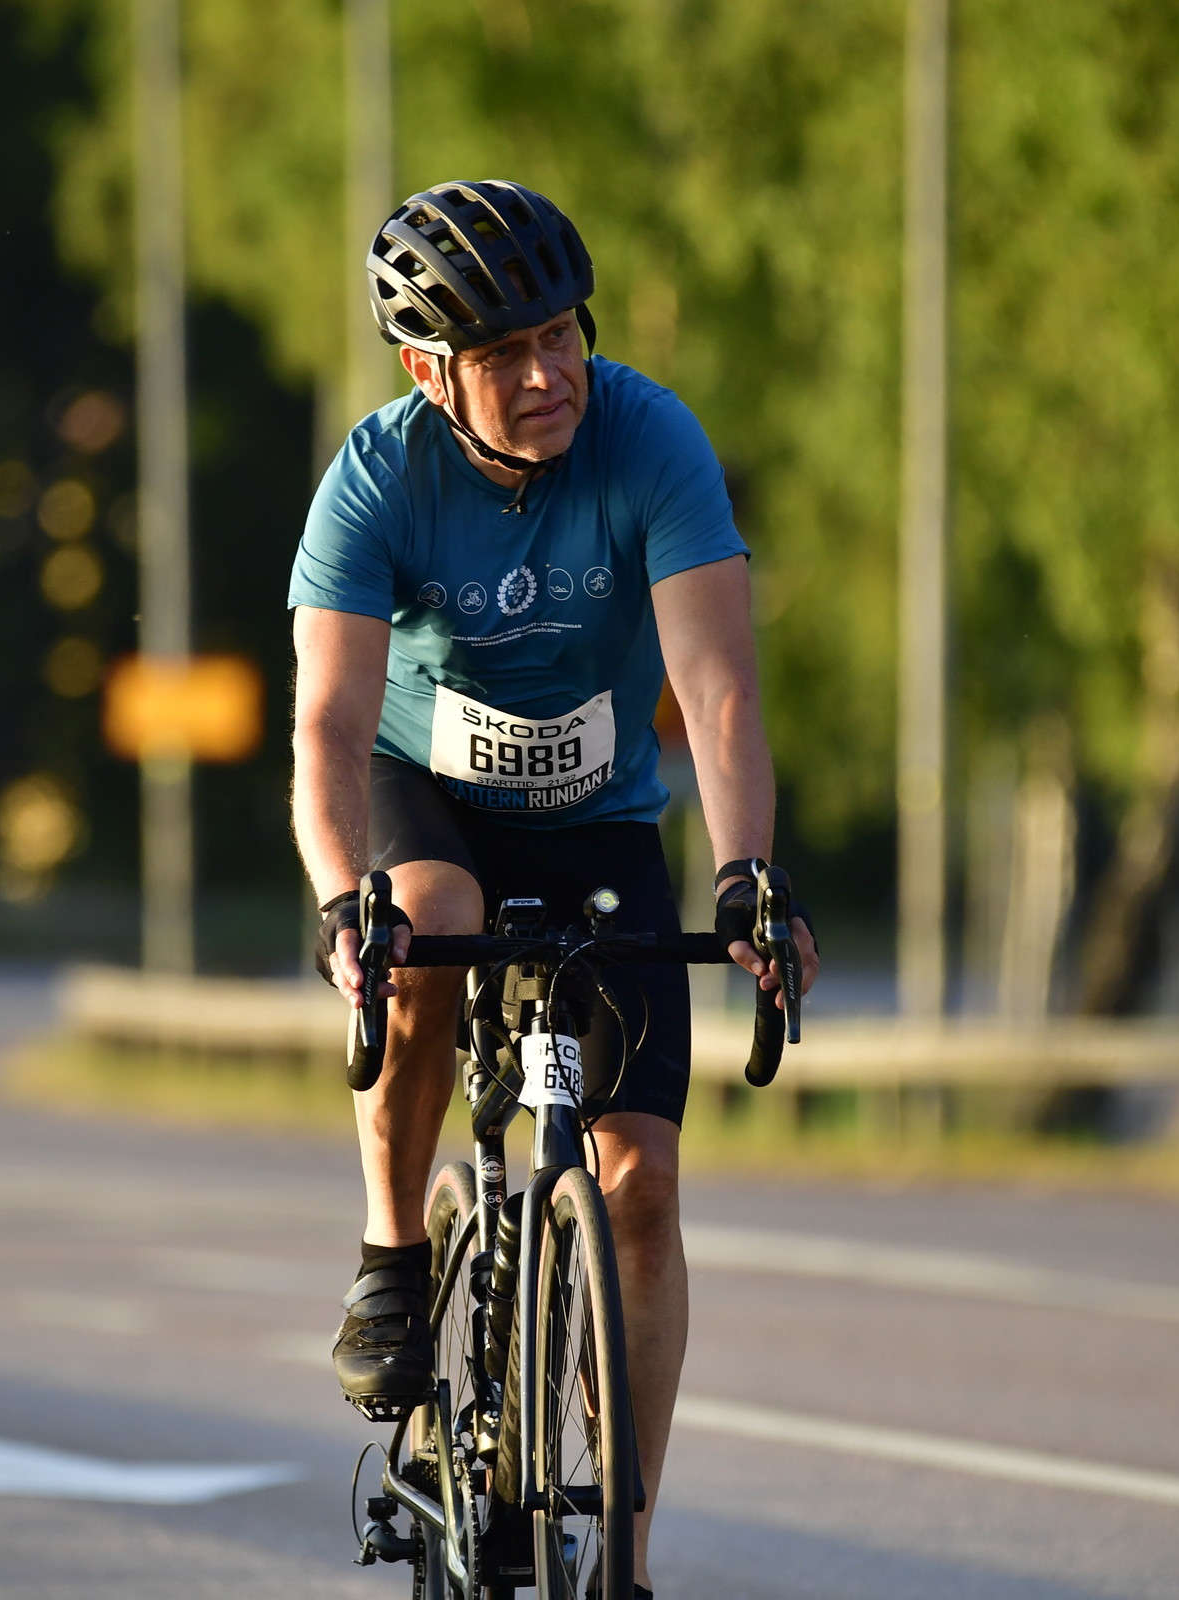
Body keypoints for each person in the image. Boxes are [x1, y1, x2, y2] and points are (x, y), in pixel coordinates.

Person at [287, 179, 818, 1598]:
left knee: (640, 1186)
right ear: (428, 372)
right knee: (429, 925)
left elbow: (716, 686)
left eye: (561, 335)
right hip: (426, 795)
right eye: (504, 353)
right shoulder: (377, 477)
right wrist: (345, 902)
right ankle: (397, 1249)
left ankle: (621, 1562)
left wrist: (748, 875)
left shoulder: (651, 439)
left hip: (597, 823)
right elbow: (328, 725)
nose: (546, 374)